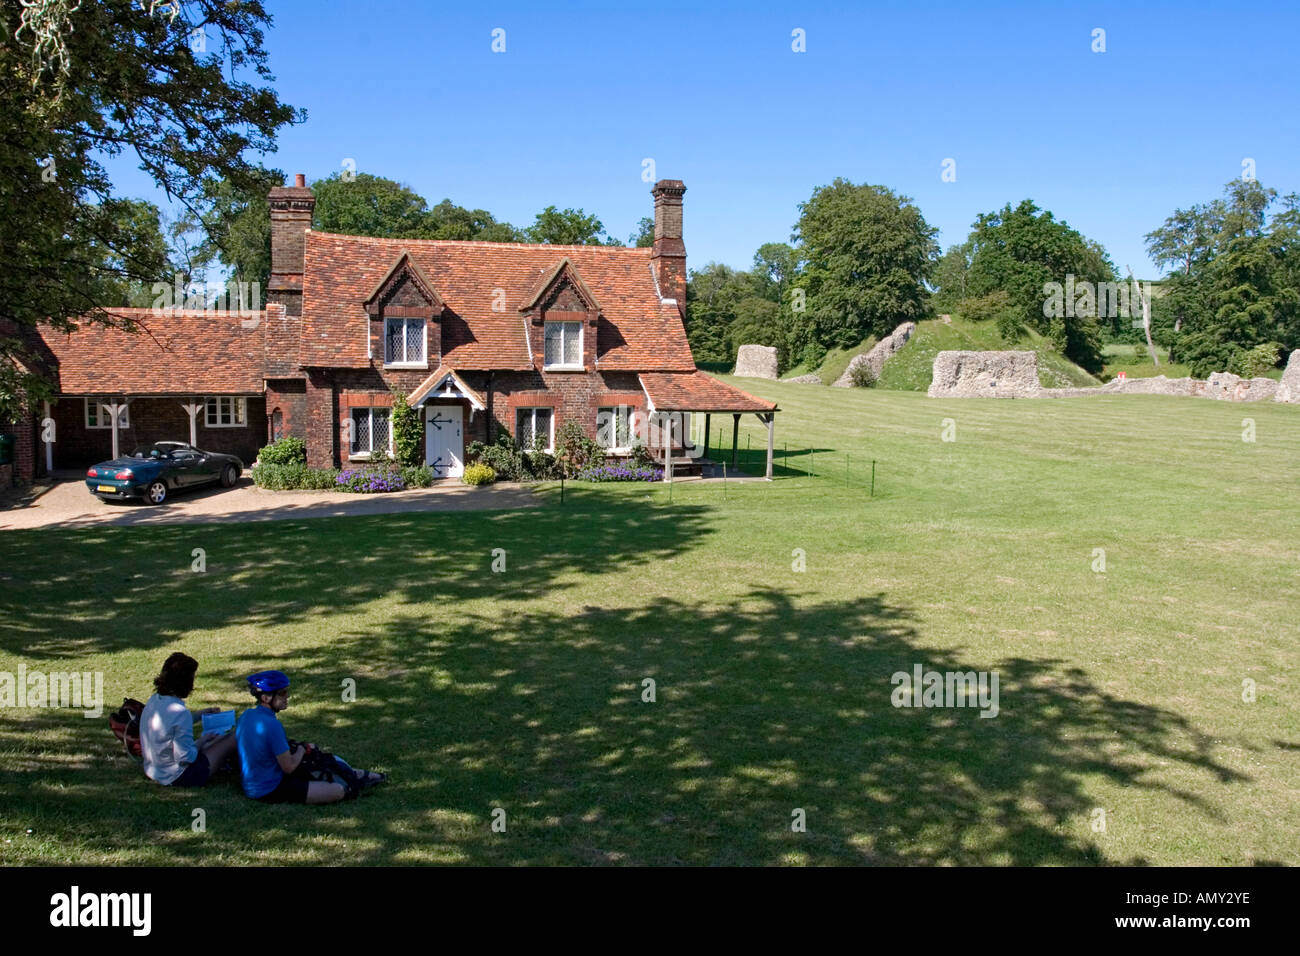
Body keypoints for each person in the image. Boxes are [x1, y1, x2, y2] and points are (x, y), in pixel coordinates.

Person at [236, 670, 385, 805]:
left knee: (321, 766)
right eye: (282, 693)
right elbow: (288, 767)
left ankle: (362, 775)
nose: (287, 696)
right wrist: (301, 750)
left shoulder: (247, 715)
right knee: (338, 790)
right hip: (270, 789)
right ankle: (357, 780)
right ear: (266, 697)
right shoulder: (272, 725)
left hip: (254, 781)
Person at [139, 652, 238, 788]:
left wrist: (202, 713)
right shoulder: (180, 712)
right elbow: (187, 757)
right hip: (178, 776)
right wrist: (204, 740)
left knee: (213, 742)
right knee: (232, 738)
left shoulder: (155, 700)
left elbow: (171, 726)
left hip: (154, 770)